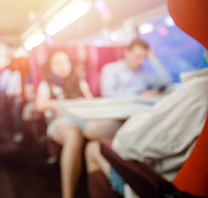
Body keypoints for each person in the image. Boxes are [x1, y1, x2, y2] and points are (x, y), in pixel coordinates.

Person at [85, 65, 208, 196]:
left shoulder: (198, 92)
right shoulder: (112, 70)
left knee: (93, 147)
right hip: (186, 178)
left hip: (162, 184)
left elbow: (126, 145)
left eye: (142, 56)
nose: (139, 60)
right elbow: (109, 93)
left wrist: (142, 119)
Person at [36, 50, 122, 198]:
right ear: (50, 66)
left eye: (64, 62)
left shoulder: (79, 81)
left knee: (106, 129)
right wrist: (65, 104)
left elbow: (91, 102)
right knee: (72, 136)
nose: (61, 66)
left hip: (82, 120)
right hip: (60, 122)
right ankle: (68, 194)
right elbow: (40, 104)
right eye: (57, 63)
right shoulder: (47, 84)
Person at [100, 38, 171, 98]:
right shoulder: (110, 69)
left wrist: (152, 57)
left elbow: (165, 81)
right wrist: (138, 96)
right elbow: (107, 94)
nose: (141, 61)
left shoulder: (142, 73)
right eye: (138, 56)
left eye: (144, 57)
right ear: (127, 52)